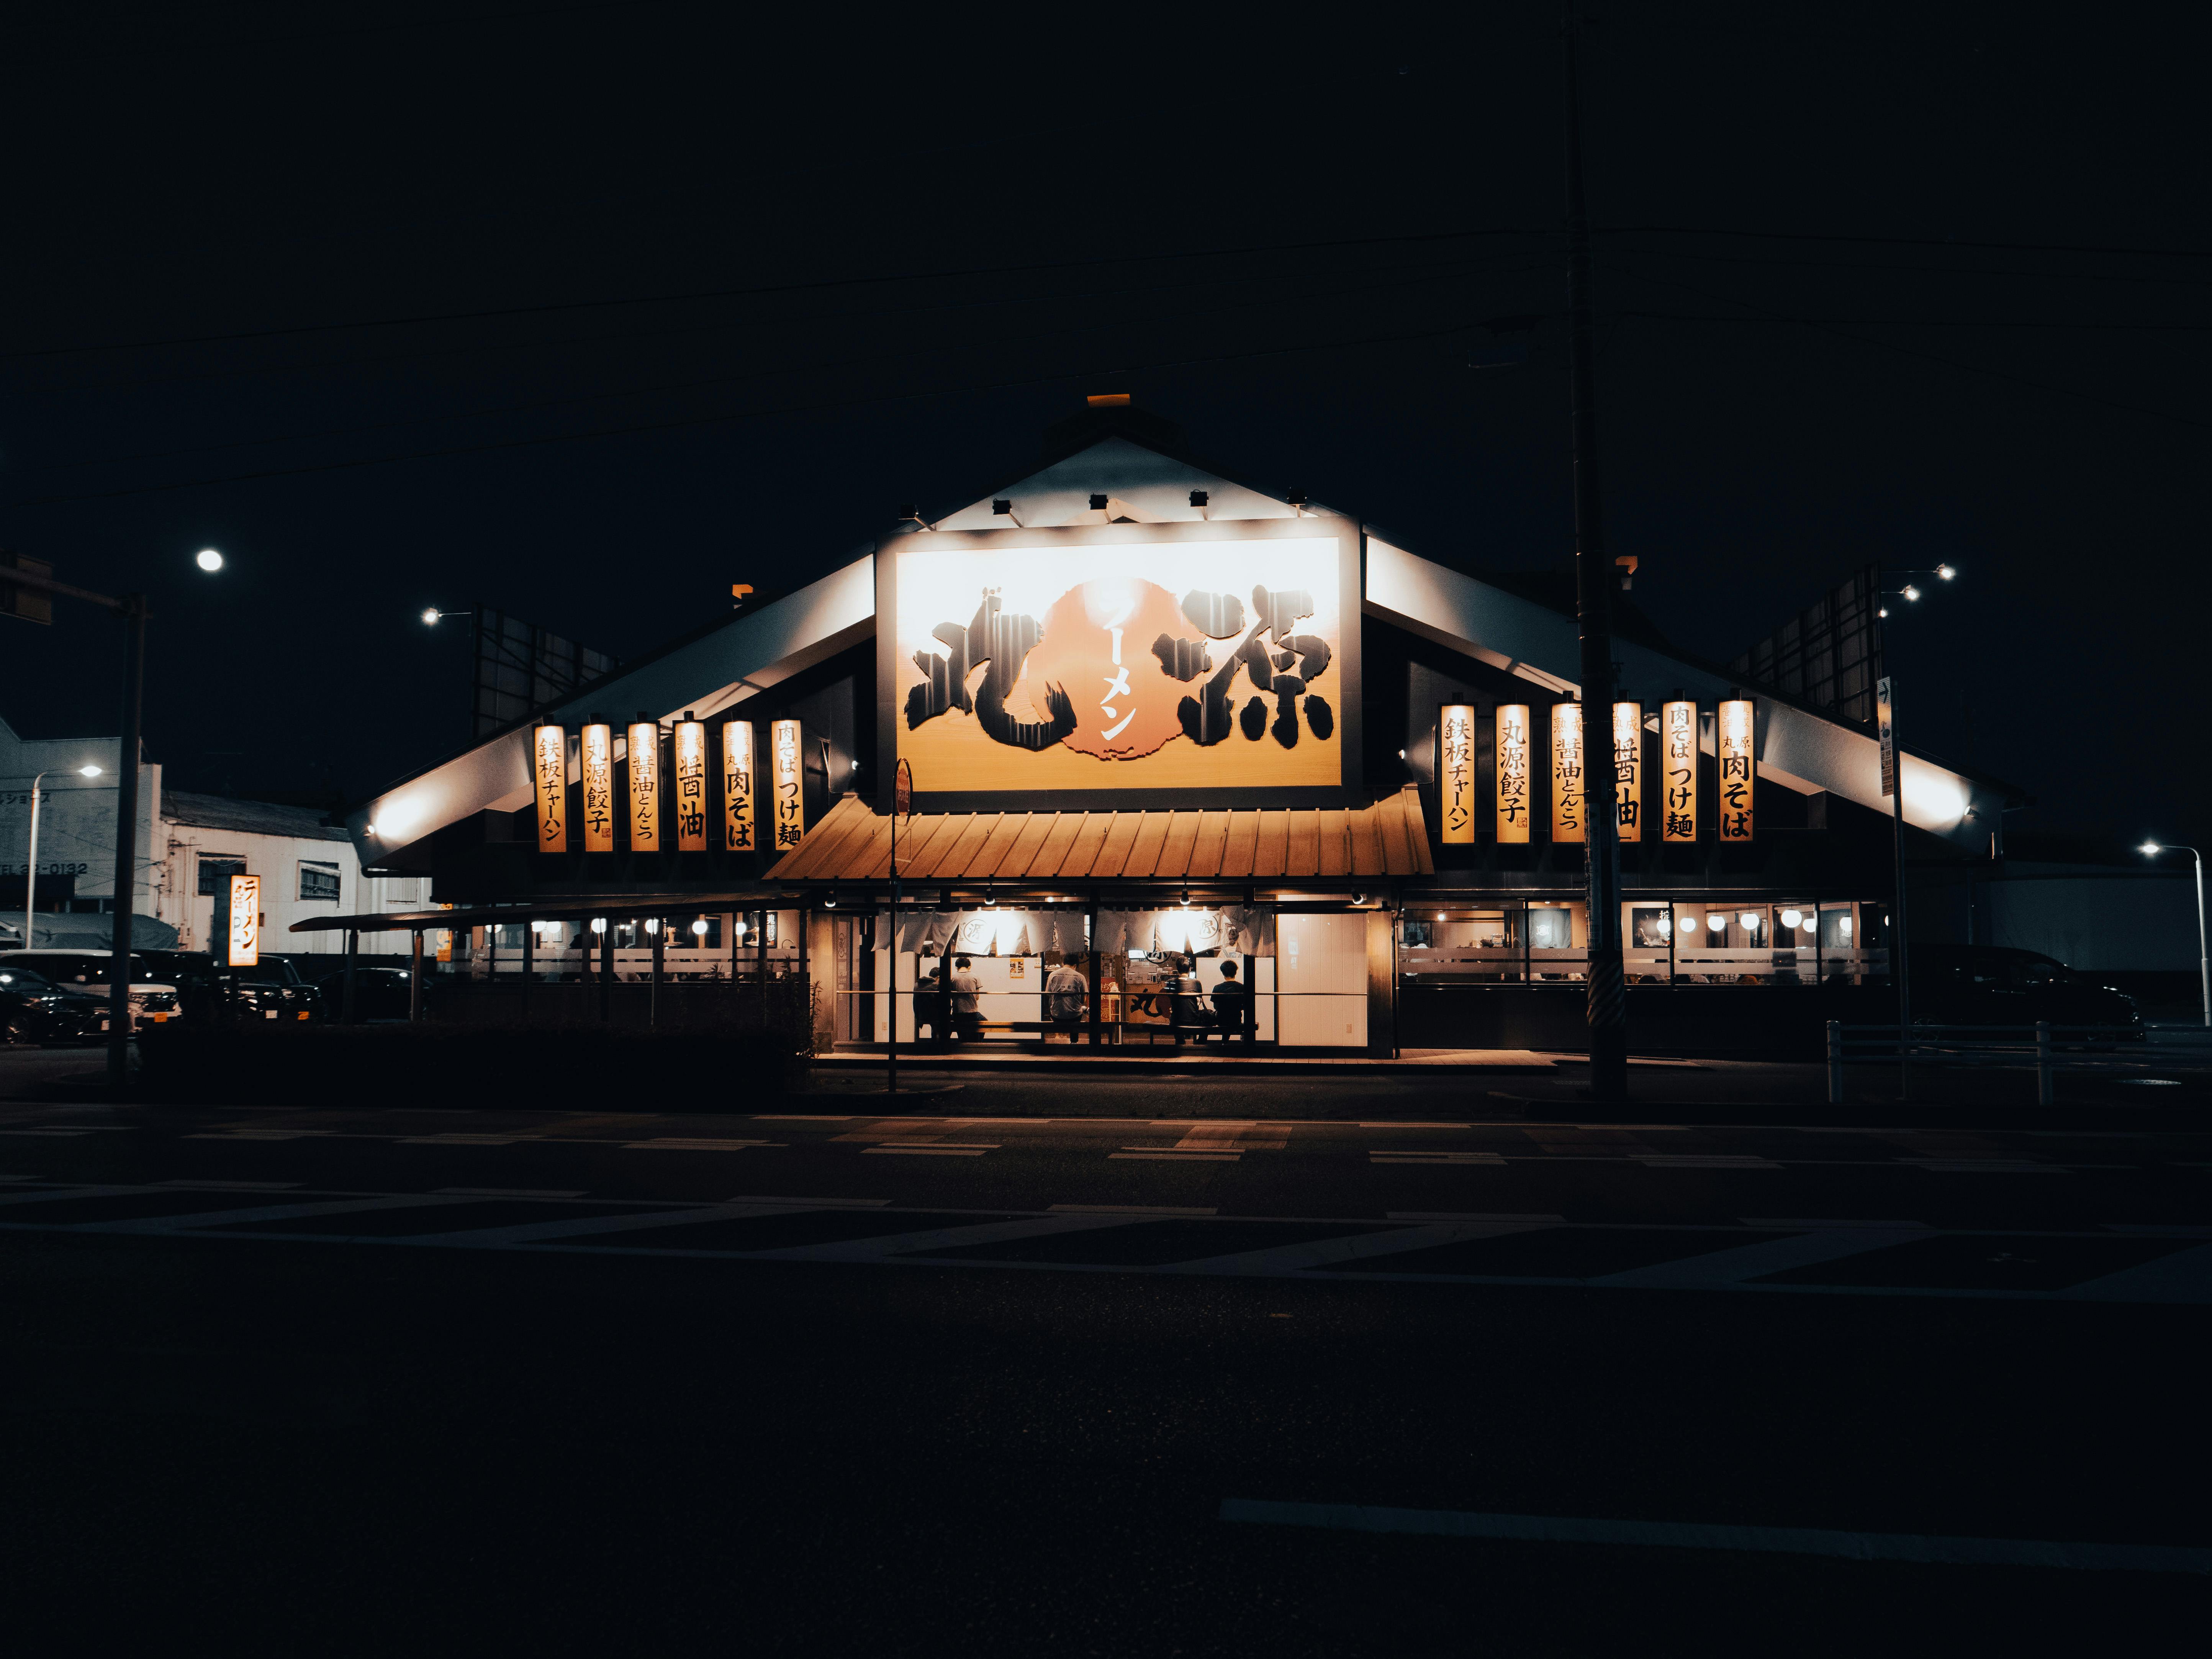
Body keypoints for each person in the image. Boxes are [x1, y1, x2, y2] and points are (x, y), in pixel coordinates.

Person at [1044, 957, 1089, 1043]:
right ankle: (1074, 1042)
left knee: (1055, 1004)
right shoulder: (1080, 977)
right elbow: (1083, 1000)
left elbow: (1049, 994)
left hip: (1056, 1016)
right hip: (1075, 1017)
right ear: (1075, 965)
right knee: (1079, 1009)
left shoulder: (1053, 975)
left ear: (1063, 963)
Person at [1211, 957, 1253, 1044]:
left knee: (1225, 1021)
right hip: (1236, 1020)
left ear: (1223, 973)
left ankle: (1224, 1043)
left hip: (1221, 1021)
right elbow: (1245, 1006)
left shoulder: (1217, 987)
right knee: (1235, 1022)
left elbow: (1216, 1006)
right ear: (1235, 972)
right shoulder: (1242, 987)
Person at [914, 943, 946, 1046]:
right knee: (947, 1021)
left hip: (920, 1014)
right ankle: (941, 1045)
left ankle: (934, 1042)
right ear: (938, 977)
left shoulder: (918, 984)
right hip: (933, 1015)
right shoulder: (935, 985)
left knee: (936, 1025)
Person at [950, 954, 984, 1043]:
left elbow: (950, 995)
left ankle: (962, 1043)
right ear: (970, 966)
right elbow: (977, 997)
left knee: (961, 1032)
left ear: (956, 967)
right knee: (984, 1023)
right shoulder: (975, 977)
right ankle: (977, 1043)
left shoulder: (952, 978)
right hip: (972, 1012)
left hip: (957, 1012)